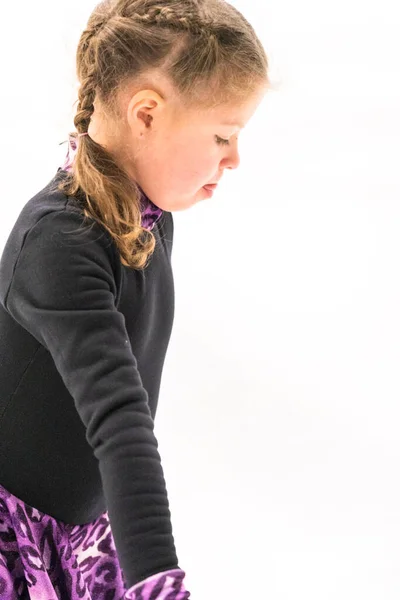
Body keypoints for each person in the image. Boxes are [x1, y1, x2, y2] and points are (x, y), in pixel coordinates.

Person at [0, 0, 270, 598]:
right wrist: (159, 581)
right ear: (146, 113)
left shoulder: (146, 218)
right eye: (223, 135)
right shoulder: (59, 244)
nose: (234, 158)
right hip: (13, 546)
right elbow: (121, 422)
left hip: (82, 533)